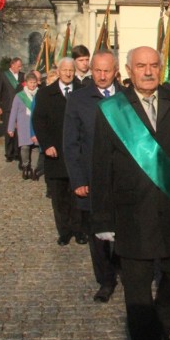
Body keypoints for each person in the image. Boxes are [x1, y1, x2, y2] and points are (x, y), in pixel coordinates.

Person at [91, 46, 170, 340]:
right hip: (132, 214)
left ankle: (167, 320)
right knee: (136, 292)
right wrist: (104, 220)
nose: (148, 71)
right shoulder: (111, 109)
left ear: (162, 68)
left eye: (153, 65)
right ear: (128, 70)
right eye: (140, 66)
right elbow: (100, 165)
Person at [63, 51, 122, 303]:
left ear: (116, 71)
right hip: (91, 178)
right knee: (97, 235)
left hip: (122, 179)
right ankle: (105, 280)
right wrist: (78, 180)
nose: (101, 75)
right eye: (97, 70)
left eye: (106, 71)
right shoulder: (78, 99)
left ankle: (125, 269)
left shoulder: (127, 98)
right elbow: (71, 143)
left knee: (124, 230)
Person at [32, 57, 84, 246]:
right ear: (59, 71)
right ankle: (64, 231)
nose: (68, 73)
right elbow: (38, 121)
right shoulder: (46, 94)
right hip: (55, 153)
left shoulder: (82, 92)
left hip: (77, 153)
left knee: (77, 194)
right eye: (65, 70)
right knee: (59, 196)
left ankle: (79, 230)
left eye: (71, 70)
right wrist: (46, 145)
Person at [7, 72, 40, 180]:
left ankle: (34, 169)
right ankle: (26, 167)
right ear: (26, 83)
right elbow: (13, 112)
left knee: (35, 147)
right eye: (31, 82)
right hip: (24, 125)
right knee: (25, 147)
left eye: (35, 82)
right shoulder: (19, 96)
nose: (33, 85)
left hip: (36, 125)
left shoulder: (40, 94)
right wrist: (10, 127)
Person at [0, 57, 24, 163]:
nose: (20, 68)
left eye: (21, 66)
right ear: (12, 65)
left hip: (20, 107)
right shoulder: (3, 75)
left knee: (18, 131)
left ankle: (17, 152)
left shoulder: (22, 76)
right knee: (9, 130)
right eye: (19, 66)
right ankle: (9, 153)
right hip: (7, 107)